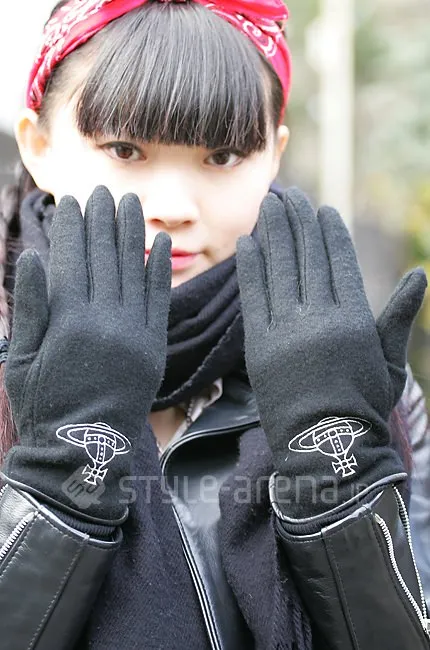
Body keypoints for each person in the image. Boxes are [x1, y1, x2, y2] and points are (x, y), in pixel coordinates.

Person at [0, 1, 429, 648]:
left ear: (274, 155)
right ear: (40, 147)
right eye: (125, 149)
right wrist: (63, 477)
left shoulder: (356, 380)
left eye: (223, 156)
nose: (174, 207)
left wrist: (337, 476)